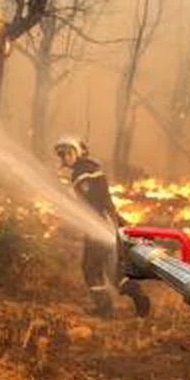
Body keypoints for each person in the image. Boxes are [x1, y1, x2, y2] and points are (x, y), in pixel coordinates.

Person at [55, 135, 150, 318]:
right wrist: (118, 221)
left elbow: (92, 201)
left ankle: (105, 309)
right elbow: (105, 201)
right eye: (62, 155)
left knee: (90, 267)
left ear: (78, 152)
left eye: (68, 153)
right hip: (105, 224)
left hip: (97, 226)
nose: (65, 158)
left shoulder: (82, 173)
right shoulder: (92, 168)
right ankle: (138, 296)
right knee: (112, 271)